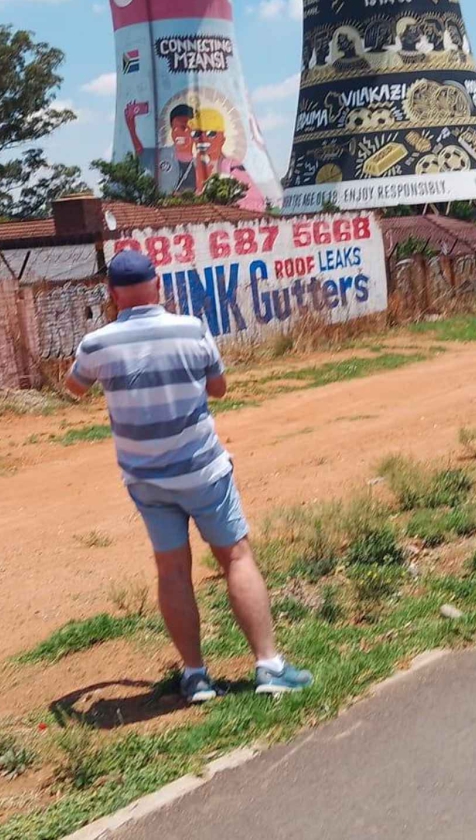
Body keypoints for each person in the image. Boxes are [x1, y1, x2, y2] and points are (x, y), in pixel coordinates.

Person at [65, 250, 313, 703]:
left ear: (112, 293)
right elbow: (219, 388)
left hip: (146, 479)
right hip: (202, 470)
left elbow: (75, 388)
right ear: (158, 285)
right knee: (235, 557)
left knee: (173, 570)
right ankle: (269, 666)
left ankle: (196, 676)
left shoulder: (96, 344)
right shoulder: (191, 328)